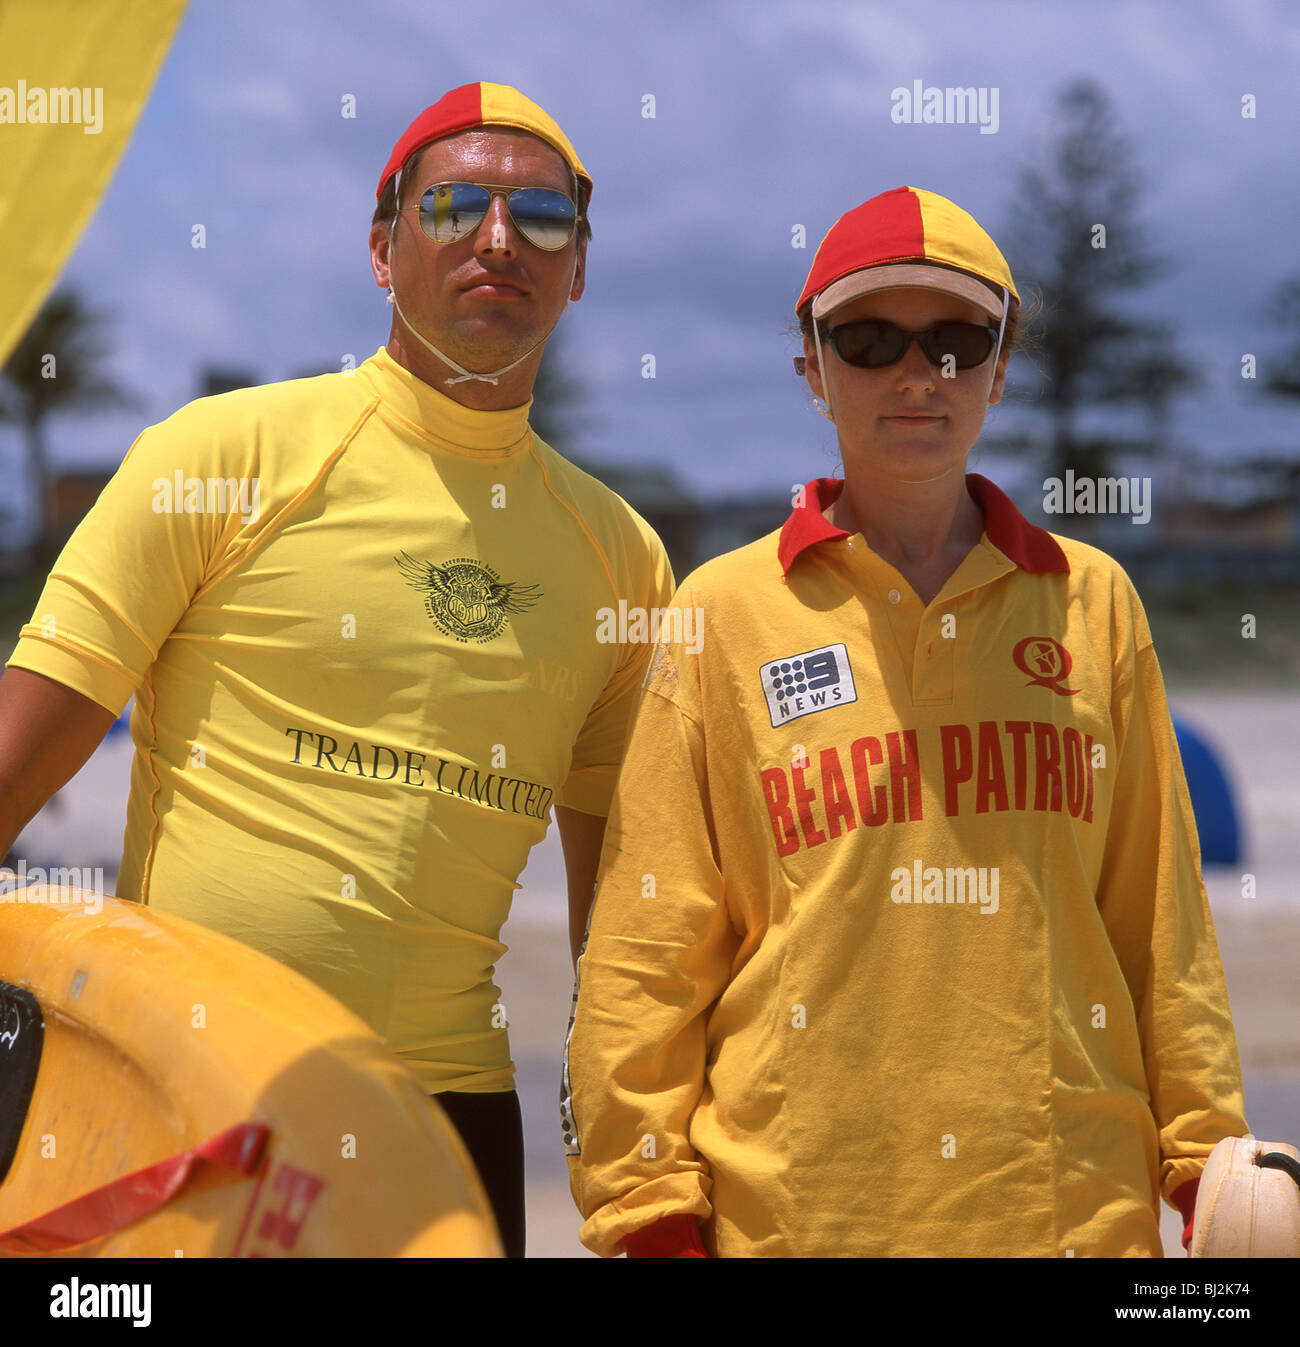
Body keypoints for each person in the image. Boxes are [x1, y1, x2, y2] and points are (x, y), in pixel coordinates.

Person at [0, 82, 674, 1259]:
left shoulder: (621, 557)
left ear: (580, 266)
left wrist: (645, 1173)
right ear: (381, 248)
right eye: (455, 205)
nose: (499, 239)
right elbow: (18, 756)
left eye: (545, 217)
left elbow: (618, 930)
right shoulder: (224, 455)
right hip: (202, 1089)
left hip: (451, 1114)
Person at [561, 185, 1248, 1257]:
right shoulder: (722, 613)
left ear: (1001, 367)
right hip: (795, 1214)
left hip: (1066, 1213)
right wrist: (646, 1208)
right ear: (811, 365)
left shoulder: (1092, 602)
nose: (918, 376)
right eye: (870, 338)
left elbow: (1161, 925)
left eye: (957, 341)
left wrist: (1209, 1162)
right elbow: (648, 947)